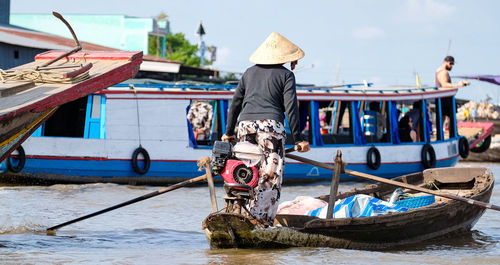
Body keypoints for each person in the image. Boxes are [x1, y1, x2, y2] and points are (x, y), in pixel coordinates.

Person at [221, 32, 311, 226]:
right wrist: (299, 139)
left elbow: (235, 103)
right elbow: (291, 108)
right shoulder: (286, 75)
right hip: (271, 128)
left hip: (245, 127)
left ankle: (240, 213)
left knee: (245, 171)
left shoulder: (248, 73)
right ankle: (260, 221)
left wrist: (228, 132)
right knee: (270, 175)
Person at [435, 56, 470, 125]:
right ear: (445, 62)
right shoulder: (443, 72)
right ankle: (453, 133)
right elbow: (444, 84)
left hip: (441, 97)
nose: (452, 66)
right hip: (445, 98)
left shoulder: (438, 71)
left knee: (443, 117)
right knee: (451, 117)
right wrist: (458, 85)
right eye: (450, 63)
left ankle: (442, 133)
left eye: (453, 64)